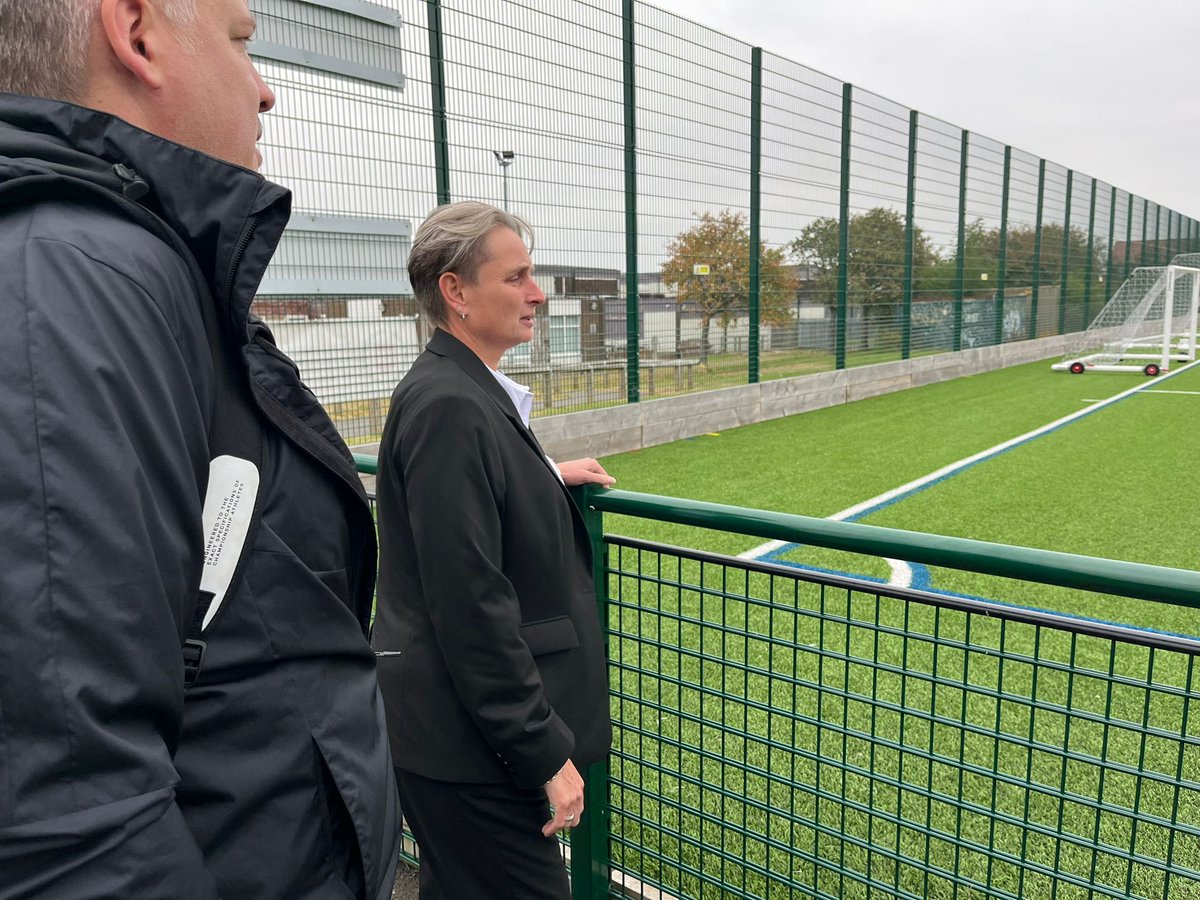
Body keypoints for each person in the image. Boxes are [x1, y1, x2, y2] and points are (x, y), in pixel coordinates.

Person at [0, 1, 400, 898]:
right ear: (136, 31)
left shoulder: (128, 266)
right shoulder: (67, 275)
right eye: (239, 42)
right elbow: (67, 826)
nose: (263, 93)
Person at [373, 201, 615, 899]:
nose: (537, 294)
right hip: (471, 750)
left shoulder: (462, 391)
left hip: (456, 741)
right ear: (456, 291)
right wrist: (542, 749)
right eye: (517, 278)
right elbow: (470, 603)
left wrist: (546, 473)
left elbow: (472, 509)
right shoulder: (450, 404)